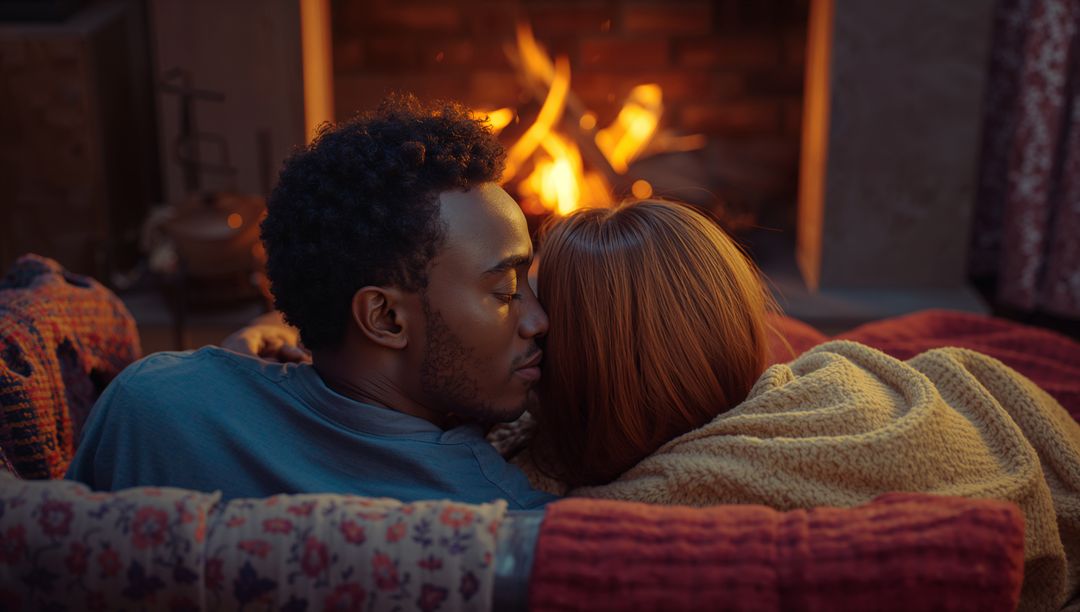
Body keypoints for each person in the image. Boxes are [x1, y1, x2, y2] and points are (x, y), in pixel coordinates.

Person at [66, 94, 555, 508]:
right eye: (506, 292)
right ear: (383, 318)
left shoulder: (153, 403)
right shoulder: (495, 518)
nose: (538, 319)